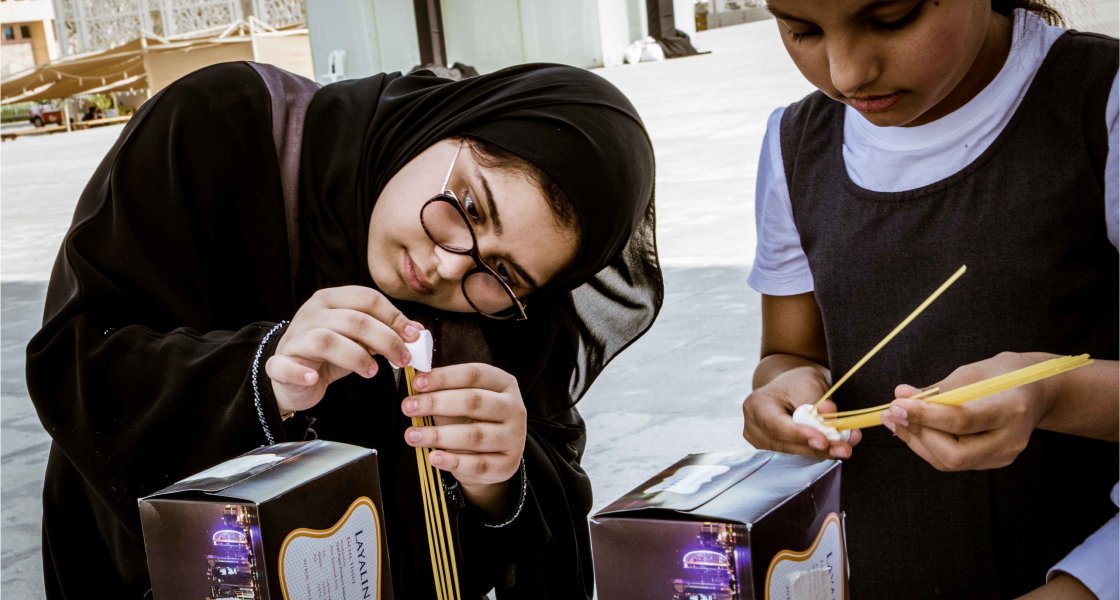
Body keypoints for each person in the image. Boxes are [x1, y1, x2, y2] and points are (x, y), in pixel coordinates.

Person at [26, 60, 661, 599]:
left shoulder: (508, 319)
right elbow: (77, 357)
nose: (444, 266)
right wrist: (263, 372)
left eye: (501, 272)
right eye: (467, 205)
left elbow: (545, 504)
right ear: (449, 124)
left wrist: (494, 479)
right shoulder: (222, 124)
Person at [740, 0, 1117, 597]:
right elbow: (789, 351)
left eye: (892, 18)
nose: (846, 74)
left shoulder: (1099, 102)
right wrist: (782, 392)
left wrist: (1052, 391)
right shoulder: (796, 142)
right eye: (801, 29)